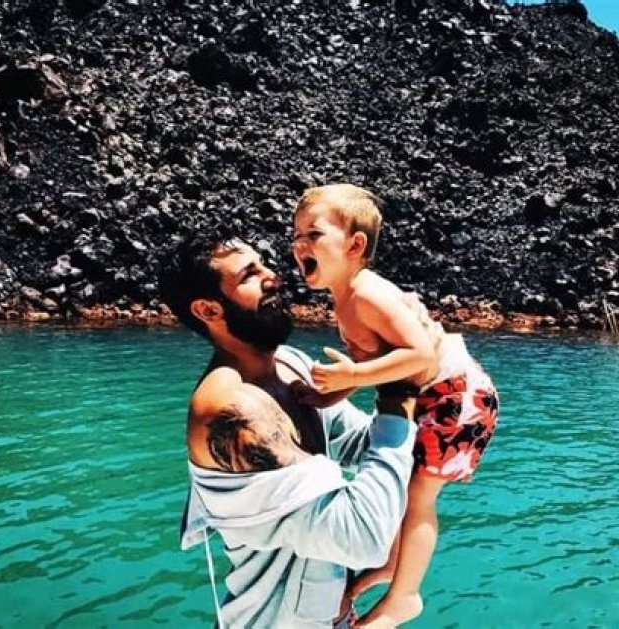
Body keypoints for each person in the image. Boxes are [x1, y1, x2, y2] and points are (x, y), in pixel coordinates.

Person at [158, 235, 418, 627]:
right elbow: (363, 537)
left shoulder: (289, 365)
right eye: (249, 274)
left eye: (263, 262)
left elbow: (362, 443)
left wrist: (392, 357)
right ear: (208, 309)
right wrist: (399, 387)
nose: (273, 276)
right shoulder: (231, 409)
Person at [292, 184, 500, 627]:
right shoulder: (346, 299)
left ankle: (404, 597)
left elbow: (420, 354)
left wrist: (351, 376)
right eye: (295, 236)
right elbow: (376, 365)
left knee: (420, 497)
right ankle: (390, 566)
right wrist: (330, 394)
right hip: (437, 396)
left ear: (355, 246)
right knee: (405, 490)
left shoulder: (367, 294)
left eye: (313, 234)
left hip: (457, 396)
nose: (299, 245)